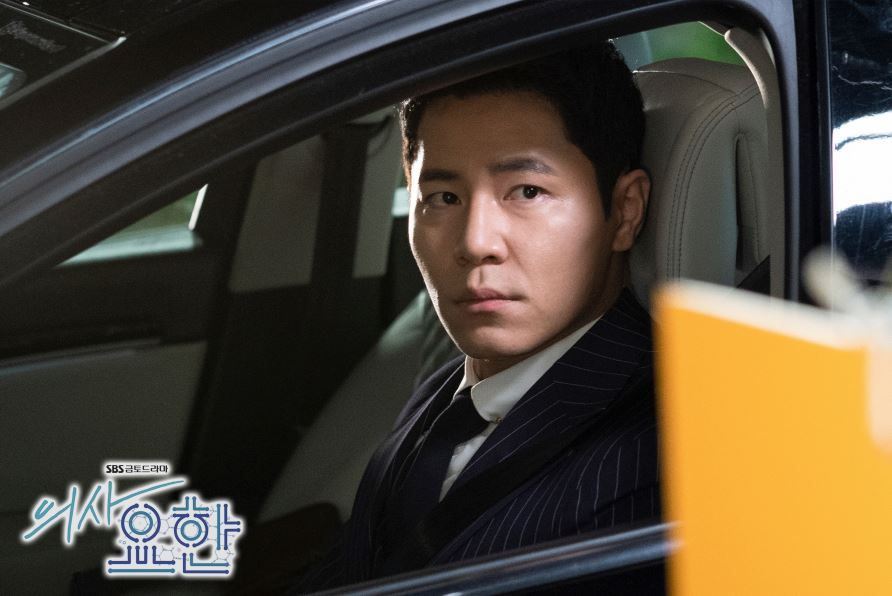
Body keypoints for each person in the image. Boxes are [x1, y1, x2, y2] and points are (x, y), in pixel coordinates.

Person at [297, 40, 657, 591]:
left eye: (527, 191)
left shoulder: (651, 463)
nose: (475, 243)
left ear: (625, 211)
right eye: (443, 198)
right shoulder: (446, 393)